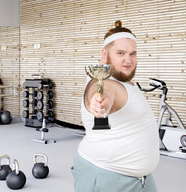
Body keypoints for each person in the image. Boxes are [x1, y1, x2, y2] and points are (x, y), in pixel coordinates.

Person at [71, 20, 160, 192]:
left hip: (140, 180)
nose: (128, 60)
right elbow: (103, 91)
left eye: (133, 54)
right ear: (105, 54)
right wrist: (98, 101)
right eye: (121, 53)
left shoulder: (123, 81)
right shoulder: (106, 81)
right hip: (108, 177)